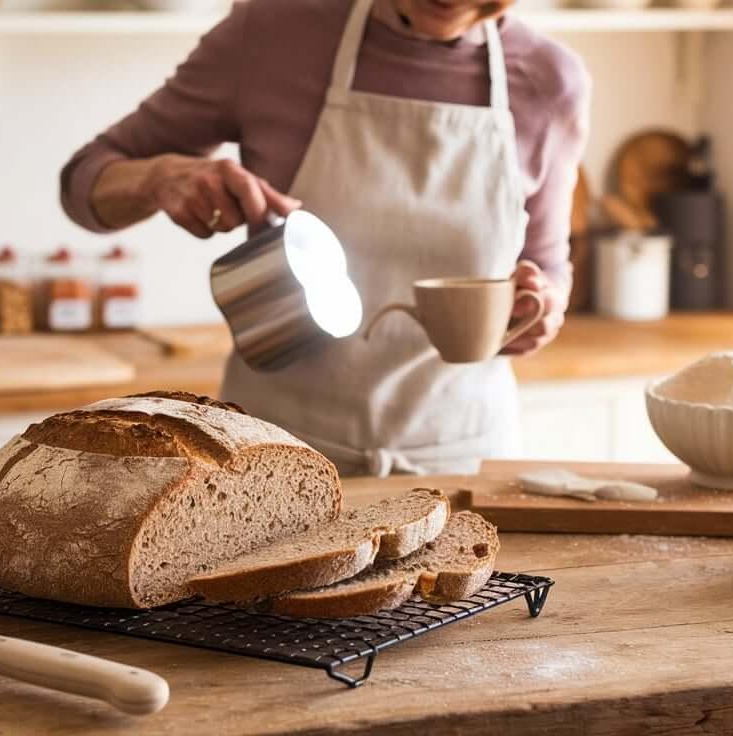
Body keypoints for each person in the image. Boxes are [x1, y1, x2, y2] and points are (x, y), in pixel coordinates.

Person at [61, 0, 591, 476]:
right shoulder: (271, 33)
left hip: (465, 462)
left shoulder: (550, 81)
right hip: (273, 461)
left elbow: (546, 263)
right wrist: (158, 178)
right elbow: (85, 180)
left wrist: (542, 305)